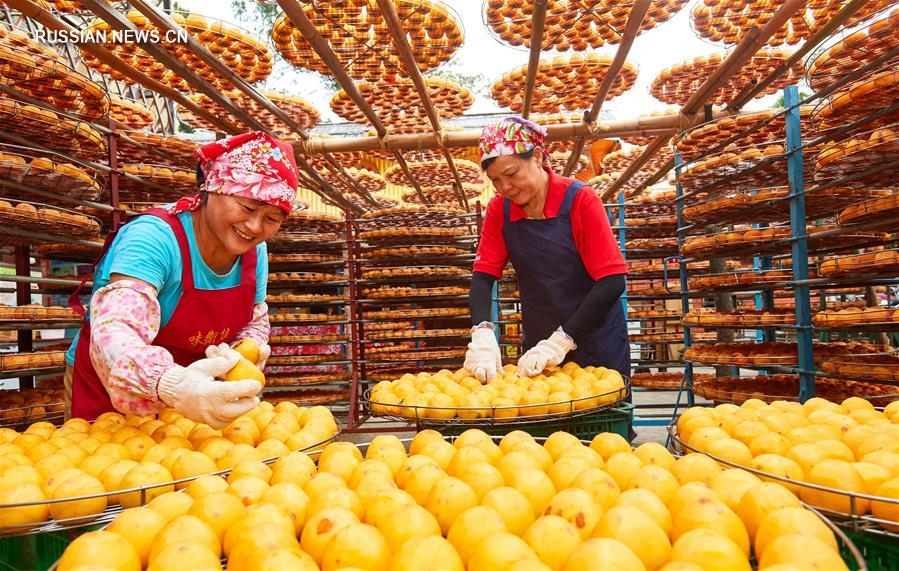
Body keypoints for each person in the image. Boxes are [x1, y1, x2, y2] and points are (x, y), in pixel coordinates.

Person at [64, 131, 298, 428]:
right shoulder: (154, 237)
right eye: (247, 208)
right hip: (111, 390)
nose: (254, 227)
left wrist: (242, 351)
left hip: (192, 400)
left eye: (272, 219)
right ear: (213, 188)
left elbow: (254, 318)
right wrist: (172, 383)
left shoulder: (256, 251)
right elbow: (116, 330)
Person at [464, 116, 630, 386]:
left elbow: (612, 281)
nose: (505, 187)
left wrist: (563, 340)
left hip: (596, 340)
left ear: (538, 156)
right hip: (540, 349)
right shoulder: (500, 209)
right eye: (495, 180)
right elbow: (483, 277)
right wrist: (482, 332)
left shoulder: (579, 199)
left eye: (511, 174)